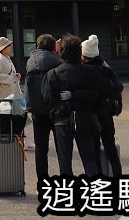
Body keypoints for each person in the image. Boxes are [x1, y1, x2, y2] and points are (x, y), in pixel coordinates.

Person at [42, 35, 111, 177]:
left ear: (62, 53)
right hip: (86, 117)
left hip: (62, 119)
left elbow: (46, 97)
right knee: (89, 159)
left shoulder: (53, 74)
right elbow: (104, 90)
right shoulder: (91, 72)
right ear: (80, 53)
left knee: (65, 162)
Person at [81, 34, 124, 176]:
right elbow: (119, 86)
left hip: (91, 116)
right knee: (110, 148)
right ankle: (118, 177)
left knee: (94, 151)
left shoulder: (85, 71)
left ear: (84, 55)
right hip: (107, 115)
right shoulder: (105, 69)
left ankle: (100, 181)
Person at [25, 33, 62, 182]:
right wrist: (58, 52)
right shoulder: (57, 61)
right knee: (62, 147)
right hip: (55, 109)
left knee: (41, 148)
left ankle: (42, 180)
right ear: (52, 47)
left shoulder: (30, 61)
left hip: (36, 109)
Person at [0, 37, 21, 102]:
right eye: (9, 46)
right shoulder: (0, 59)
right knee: (5, 111)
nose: (10, 48)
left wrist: (15, 75)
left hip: (8, 93)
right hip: (4, 95)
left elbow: (6, 71)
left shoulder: (6, 58)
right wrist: (10, 78)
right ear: (3, 48)